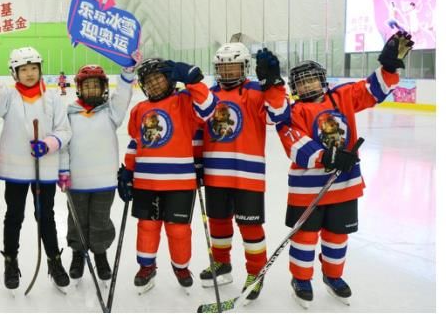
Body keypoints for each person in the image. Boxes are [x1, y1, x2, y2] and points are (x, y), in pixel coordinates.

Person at [276, 31, 413, 308]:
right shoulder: (292, 112)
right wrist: (326, 156)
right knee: (304, 237)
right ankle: (301, 278)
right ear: (294, 88)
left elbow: (371, 91)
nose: (308, 86)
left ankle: (333, 275)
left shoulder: (341, 97)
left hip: (344, 186)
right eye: (301, 83)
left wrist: (387, 68)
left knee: (337, 235)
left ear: (322, 80)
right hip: (307, 191)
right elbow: (292, 143)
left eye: (312, 79)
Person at [0, 31, 73, 292]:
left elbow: (65, 131)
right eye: (24, 69)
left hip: (46, 169)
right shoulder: (8, 98)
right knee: (14, 216)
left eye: (34, 67)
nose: (30, 73)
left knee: (46, 217)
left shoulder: (53, 98)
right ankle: (11, 260)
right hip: (17, 170)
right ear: (14, 72)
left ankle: (54, 261)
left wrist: (49, 143)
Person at [194, 43, 290, 301]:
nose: (227, 72)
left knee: (250, 227)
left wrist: (273, 84)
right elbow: (199, 131)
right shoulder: (210, 96)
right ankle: (222, 263)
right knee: (218, 223)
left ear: (245, 67)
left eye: (233, 66)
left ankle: (256, 273)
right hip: (215, 174)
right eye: (222, 67)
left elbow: (279, 115)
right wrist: (197, 164)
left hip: (247, 175)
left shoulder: (256, 91)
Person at [119, 57, 217, 294]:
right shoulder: (139, 109)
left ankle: (181, 267)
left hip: (180, 182)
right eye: (148, 81)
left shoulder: (184, 101)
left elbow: (208, 108)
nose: (153, 84)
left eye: (158, 78)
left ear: (170, 79)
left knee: (178, 229)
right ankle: (147, 266)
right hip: (146, 181)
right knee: (147, 227)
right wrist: (127, 171)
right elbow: (135, 142)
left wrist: (194, 80)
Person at [59, 60, 136, 282]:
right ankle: (78, 254)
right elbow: (63, 145)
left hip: (104, 181)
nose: (92, 89)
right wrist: (63, 170)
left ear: (104, 88)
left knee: (100, 220)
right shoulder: (70, 114)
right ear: (79, 88)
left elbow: (123, 96)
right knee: (77, 221)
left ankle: (100, 255)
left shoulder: (112, 113)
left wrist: (127, 72)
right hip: (77, 181)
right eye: (87, 85)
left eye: (96, 85)